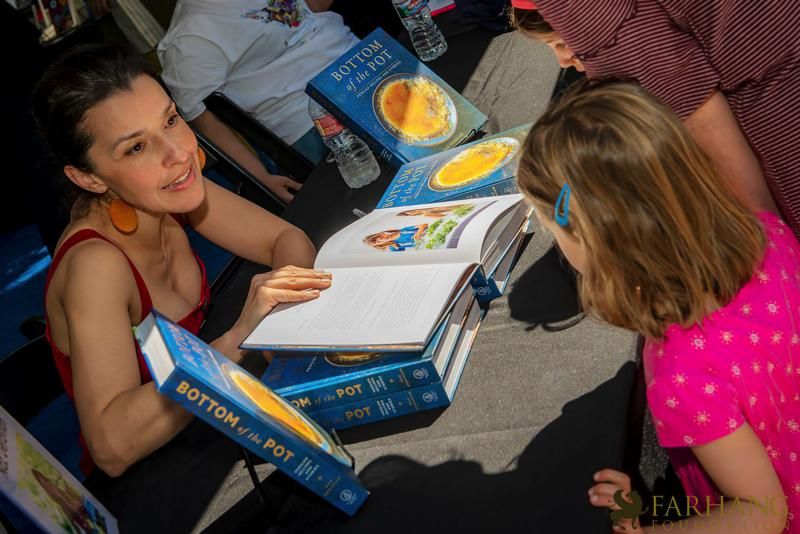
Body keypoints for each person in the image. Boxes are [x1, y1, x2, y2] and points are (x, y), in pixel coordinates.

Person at [32, 44, 333, 478]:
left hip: (218, 420)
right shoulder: (95, 267)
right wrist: (238, 338)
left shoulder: (165, 189)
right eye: (136, 147)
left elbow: (286, 238)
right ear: (88, 177)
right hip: (164, 477)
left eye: (171, 120)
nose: (177, 153)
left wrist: (278, 315)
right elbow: (111, 447)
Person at [517, 80, 798, 533]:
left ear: (593, 241)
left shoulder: (680, 375)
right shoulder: (769, 233)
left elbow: (762, 512)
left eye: (554, 229)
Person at [509, 0, 800, 240]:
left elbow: (693, 110)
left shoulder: (585, 10)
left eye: (562, 43)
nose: (562, 61)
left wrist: (770, 247)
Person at [158, 0, 360, 203]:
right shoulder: (189, 38)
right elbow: (204, 121)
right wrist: (261, 178)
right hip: (313, 116)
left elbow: (310, 11)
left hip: (360, 61)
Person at [364, 226, 428, 252]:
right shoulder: (394, 247)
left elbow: (423, 225)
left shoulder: (402, 231)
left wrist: (419, 232)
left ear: (382, 233)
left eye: (381, 237)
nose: (383, 240)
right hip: (427, 243)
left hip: (428, 233)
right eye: (379, 242)